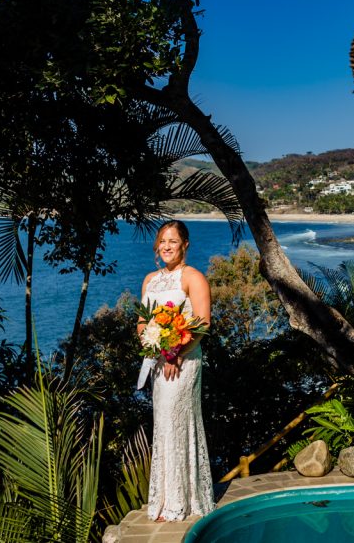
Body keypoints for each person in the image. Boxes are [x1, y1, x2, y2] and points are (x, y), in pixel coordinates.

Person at [137, 220, 215, 521]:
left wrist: (175, 352)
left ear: (185, 245)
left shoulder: (193, 277)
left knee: (177, 420)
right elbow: (142, 322)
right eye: (162, 241)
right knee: (164, 424)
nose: (166, 246)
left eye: (173, 241)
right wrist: (152, 343)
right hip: (158, 363)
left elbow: (203, 323)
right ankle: (166, 498)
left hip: (183, 362)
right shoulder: (149, 280)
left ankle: (182, 501)